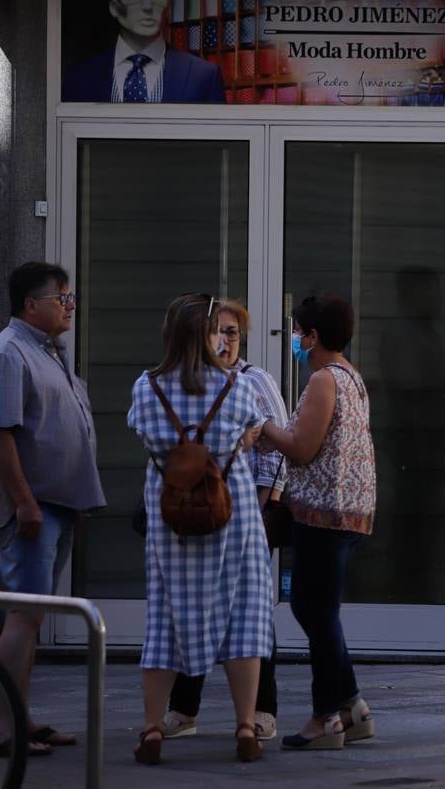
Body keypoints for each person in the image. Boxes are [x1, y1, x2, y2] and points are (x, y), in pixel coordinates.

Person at [127, 293, 273, 765]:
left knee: (164, 622)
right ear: (209, 335)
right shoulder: (236, 387)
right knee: (244, 620)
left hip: (170, 520)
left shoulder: (146, 387)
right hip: (232, 516)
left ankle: (152, 729)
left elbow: (144, 434)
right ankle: (247, 727)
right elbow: (249, 433)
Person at [0, 262, 107, 758]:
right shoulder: (8, 354)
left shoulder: (48, 352)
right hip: (34, 509)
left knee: (29, 616)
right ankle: (1, 730)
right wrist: (25, 501)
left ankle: (20, 717)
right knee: (24, 615)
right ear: (31, 305)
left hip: (56, 505)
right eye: (62, 298)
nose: (70, 306)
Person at [161, 299, 287, 742]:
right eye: (218, 332)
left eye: (232, 332)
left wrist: (261, 506)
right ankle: (184, 708)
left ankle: (262, 710)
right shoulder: (194, 381)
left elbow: (278, 456)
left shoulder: (255, 381)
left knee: (253, 615)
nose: (225, 340)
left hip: (249, 513)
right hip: (198, 513)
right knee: (196, 607)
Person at [259, 294, 377, 750]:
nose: (294, 340)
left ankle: (324, 717)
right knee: (316, 610)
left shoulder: (326, 380)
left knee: (316, 611)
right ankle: (352, 707)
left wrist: (264, 429)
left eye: (297, 332)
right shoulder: (350, 376)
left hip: (325, 516)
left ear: (312, 336)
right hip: (345, 512)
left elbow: (303, 448)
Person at [61, 0, 226, 103]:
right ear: (114, 6)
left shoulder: (204, 76)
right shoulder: (80, 78)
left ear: (168, 5)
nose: (147, 6)